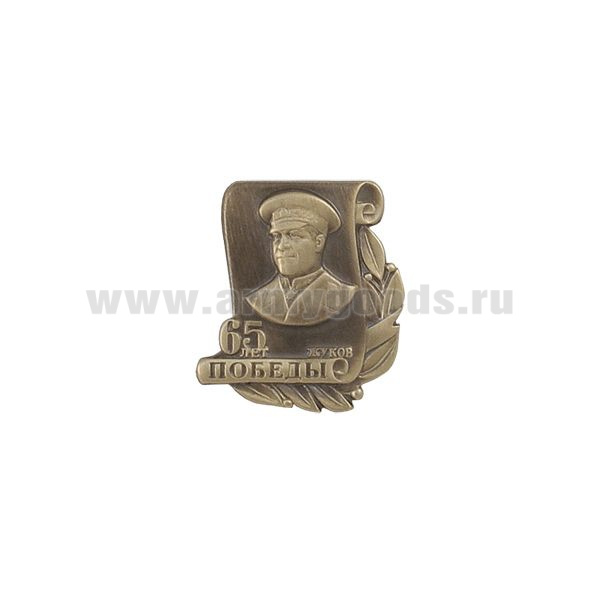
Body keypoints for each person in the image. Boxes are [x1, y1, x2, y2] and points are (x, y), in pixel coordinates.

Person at [246, 191, 357, 326]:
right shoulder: (257, 299)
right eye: (277, 236)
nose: (281, 246)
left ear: (318, 242)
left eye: (293, 235)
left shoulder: (344, 296)